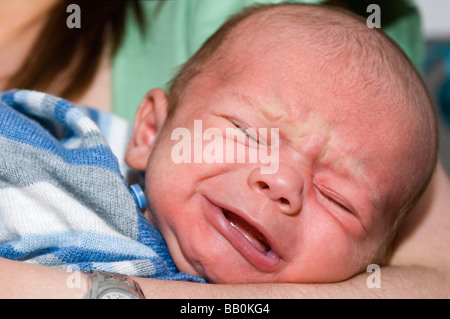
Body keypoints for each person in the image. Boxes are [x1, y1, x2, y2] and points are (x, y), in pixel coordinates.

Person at [0, 3, 442, 297]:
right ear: (149, 133)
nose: (283, 181)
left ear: (373, 262)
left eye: (339, 199)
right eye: (244, 131)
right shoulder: (59, 168)